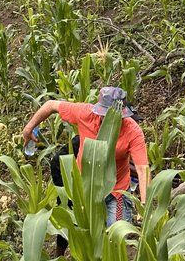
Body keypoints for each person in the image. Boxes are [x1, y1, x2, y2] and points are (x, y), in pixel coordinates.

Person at [22, 86, 149, 226]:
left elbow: (143, 169)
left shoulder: (132, 130)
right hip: (85, 189)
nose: (109, 118)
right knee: (85, 235)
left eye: (115, 114)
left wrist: (144, 203)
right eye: (105, 114)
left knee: (117, 235)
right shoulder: (86, 114)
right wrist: (29, 128)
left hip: (116, 191)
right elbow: (51, 105)